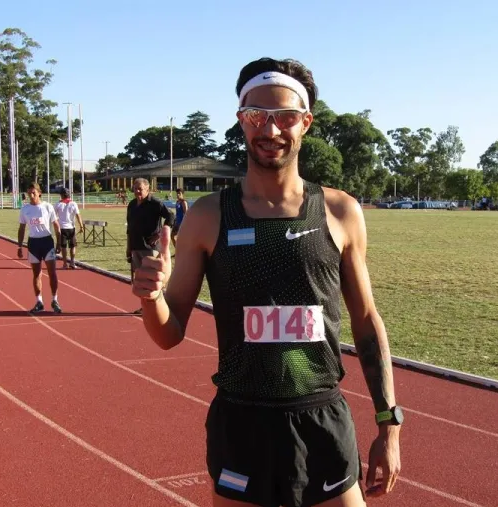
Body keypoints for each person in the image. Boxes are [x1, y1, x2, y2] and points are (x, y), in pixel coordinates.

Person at [132, 57, 402, 507]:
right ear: (241, 121)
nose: (270, 130)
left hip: (321, 418)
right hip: (242, 421)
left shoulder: (339, 211)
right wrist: (151, 296)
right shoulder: (208, 215)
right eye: (256, 116)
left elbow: (367, 321)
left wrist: (388, 426)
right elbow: (168, 335)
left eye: (285, 117)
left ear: (306, 123)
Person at [126, 177, 173, 316]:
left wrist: (160, 234)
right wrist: (129, 247)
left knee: (153, 280)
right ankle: (145, 307)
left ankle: (161, 308)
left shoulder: (155, 203)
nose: (137, 191)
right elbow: (130, 228)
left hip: (150, 248)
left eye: (140, 188)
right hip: (135, 246)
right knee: (140, 281)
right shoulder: (132, 204)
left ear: (148, 189)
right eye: (135, 188)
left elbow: (170, 216)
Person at [17, 182, 63, 314]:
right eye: (29, 193)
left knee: (52, 273)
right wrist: (19, 246)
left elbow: (56, 225)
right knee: (36, 274)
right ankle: (39, 301)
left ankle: (55, 300)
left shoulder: (47, 207)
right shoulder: (25, 209)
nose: (31, 196)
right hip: (33, 244)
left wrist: (58, 243)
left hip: (47, 242)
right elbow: (21, 228)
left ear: (39, 193)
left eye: (33, 193)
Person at [54, 187, 84, 269]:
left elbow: (54, 216)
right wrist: (81, 226)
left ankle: (64, 264)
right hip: (71, 228)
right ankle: (72, 262)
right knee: (73, 246)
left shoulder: (58, 204)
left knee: (63, 247)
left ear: (61, 195)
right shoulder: (73, 203)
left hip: (62, 228)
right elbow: (78, 215)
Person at [172, 187, 188, 253]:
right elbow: (177, 213)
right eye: (177, 193)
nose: (178, 195)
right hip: (177, 222)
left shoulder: (183, 202)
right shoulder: (177, 202)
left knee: (181, 239)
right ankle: (178, 251)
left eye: (179, 193)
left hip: (182, 223)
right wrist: (175, 221)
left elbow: (186, 214)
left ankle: (182, 252)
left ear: (182, 194)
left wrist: (185, 224)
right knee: (172, 236)